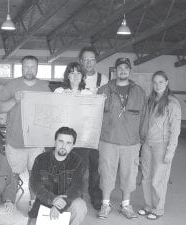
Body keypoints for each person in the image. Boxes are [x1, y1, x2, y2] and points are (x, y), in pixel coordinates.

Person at [0, 55, 50, 209]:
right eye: (26, 66)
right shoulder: (11, 86)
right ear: (21, 67)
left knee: (36, 176)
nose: (29, 69)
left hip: (36, 142)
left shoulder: (44, 87)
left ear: (37, 68)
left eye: (32, 66)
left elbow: (50, 113)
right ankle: (9, 203)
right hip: (15, 141)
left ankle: (34, 204)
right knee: (12, 176)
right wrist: (14, 100)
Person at [97, 57, 148, 219]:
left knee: (129, 174)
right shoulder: (104, 90)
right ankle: (105, 204)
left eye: (126, 68)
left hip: (131, 142)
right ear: (115, 71)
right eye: (120, 68)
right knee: (106, 172)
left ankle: (126, 205)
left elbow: (144, 116)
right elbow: (95, 115)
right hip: (107, 140)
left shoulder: (139, 91)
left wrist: (142, 139)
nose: (123, 70)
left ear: (130, 70)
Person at [138, 71, 181, 220]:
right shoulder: (151, 100)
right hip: (147, 145)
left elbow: (175, 130)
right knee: (146, 177)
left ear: (167, 82)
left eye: (161, 82)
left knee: (159, 179)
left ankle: (158, 208)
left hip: (161, 146)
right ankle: (148, 205)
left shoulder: (172, 103)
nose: (157, 85)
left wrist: (170, 151)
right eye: (155, 82)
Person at [29, 127, 87, 225]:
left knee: (80, 207)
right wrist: (53, 199)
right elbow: (35, 185)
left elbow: (77, 187)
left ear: (73, 146)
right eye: (61, 141)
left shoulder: (78, 161)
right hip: (45, 201)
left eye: (68, 143)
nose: (64, 146)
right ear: (55, 142)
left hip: (68, 202)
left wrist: (60, 205)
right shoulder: (41, 159)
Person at [78, 46, 108, 210]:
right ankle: (78, 195)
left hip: (96, 130)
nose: (88, 62)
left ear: (95, 61)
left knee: (96, 165)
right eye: (85, 59)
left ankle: (95, 194)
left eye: (92, 59)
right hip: (78, 130)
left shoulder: (102, 80)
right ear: (81, 61)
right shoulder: (75, 77)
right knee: (79, 165)